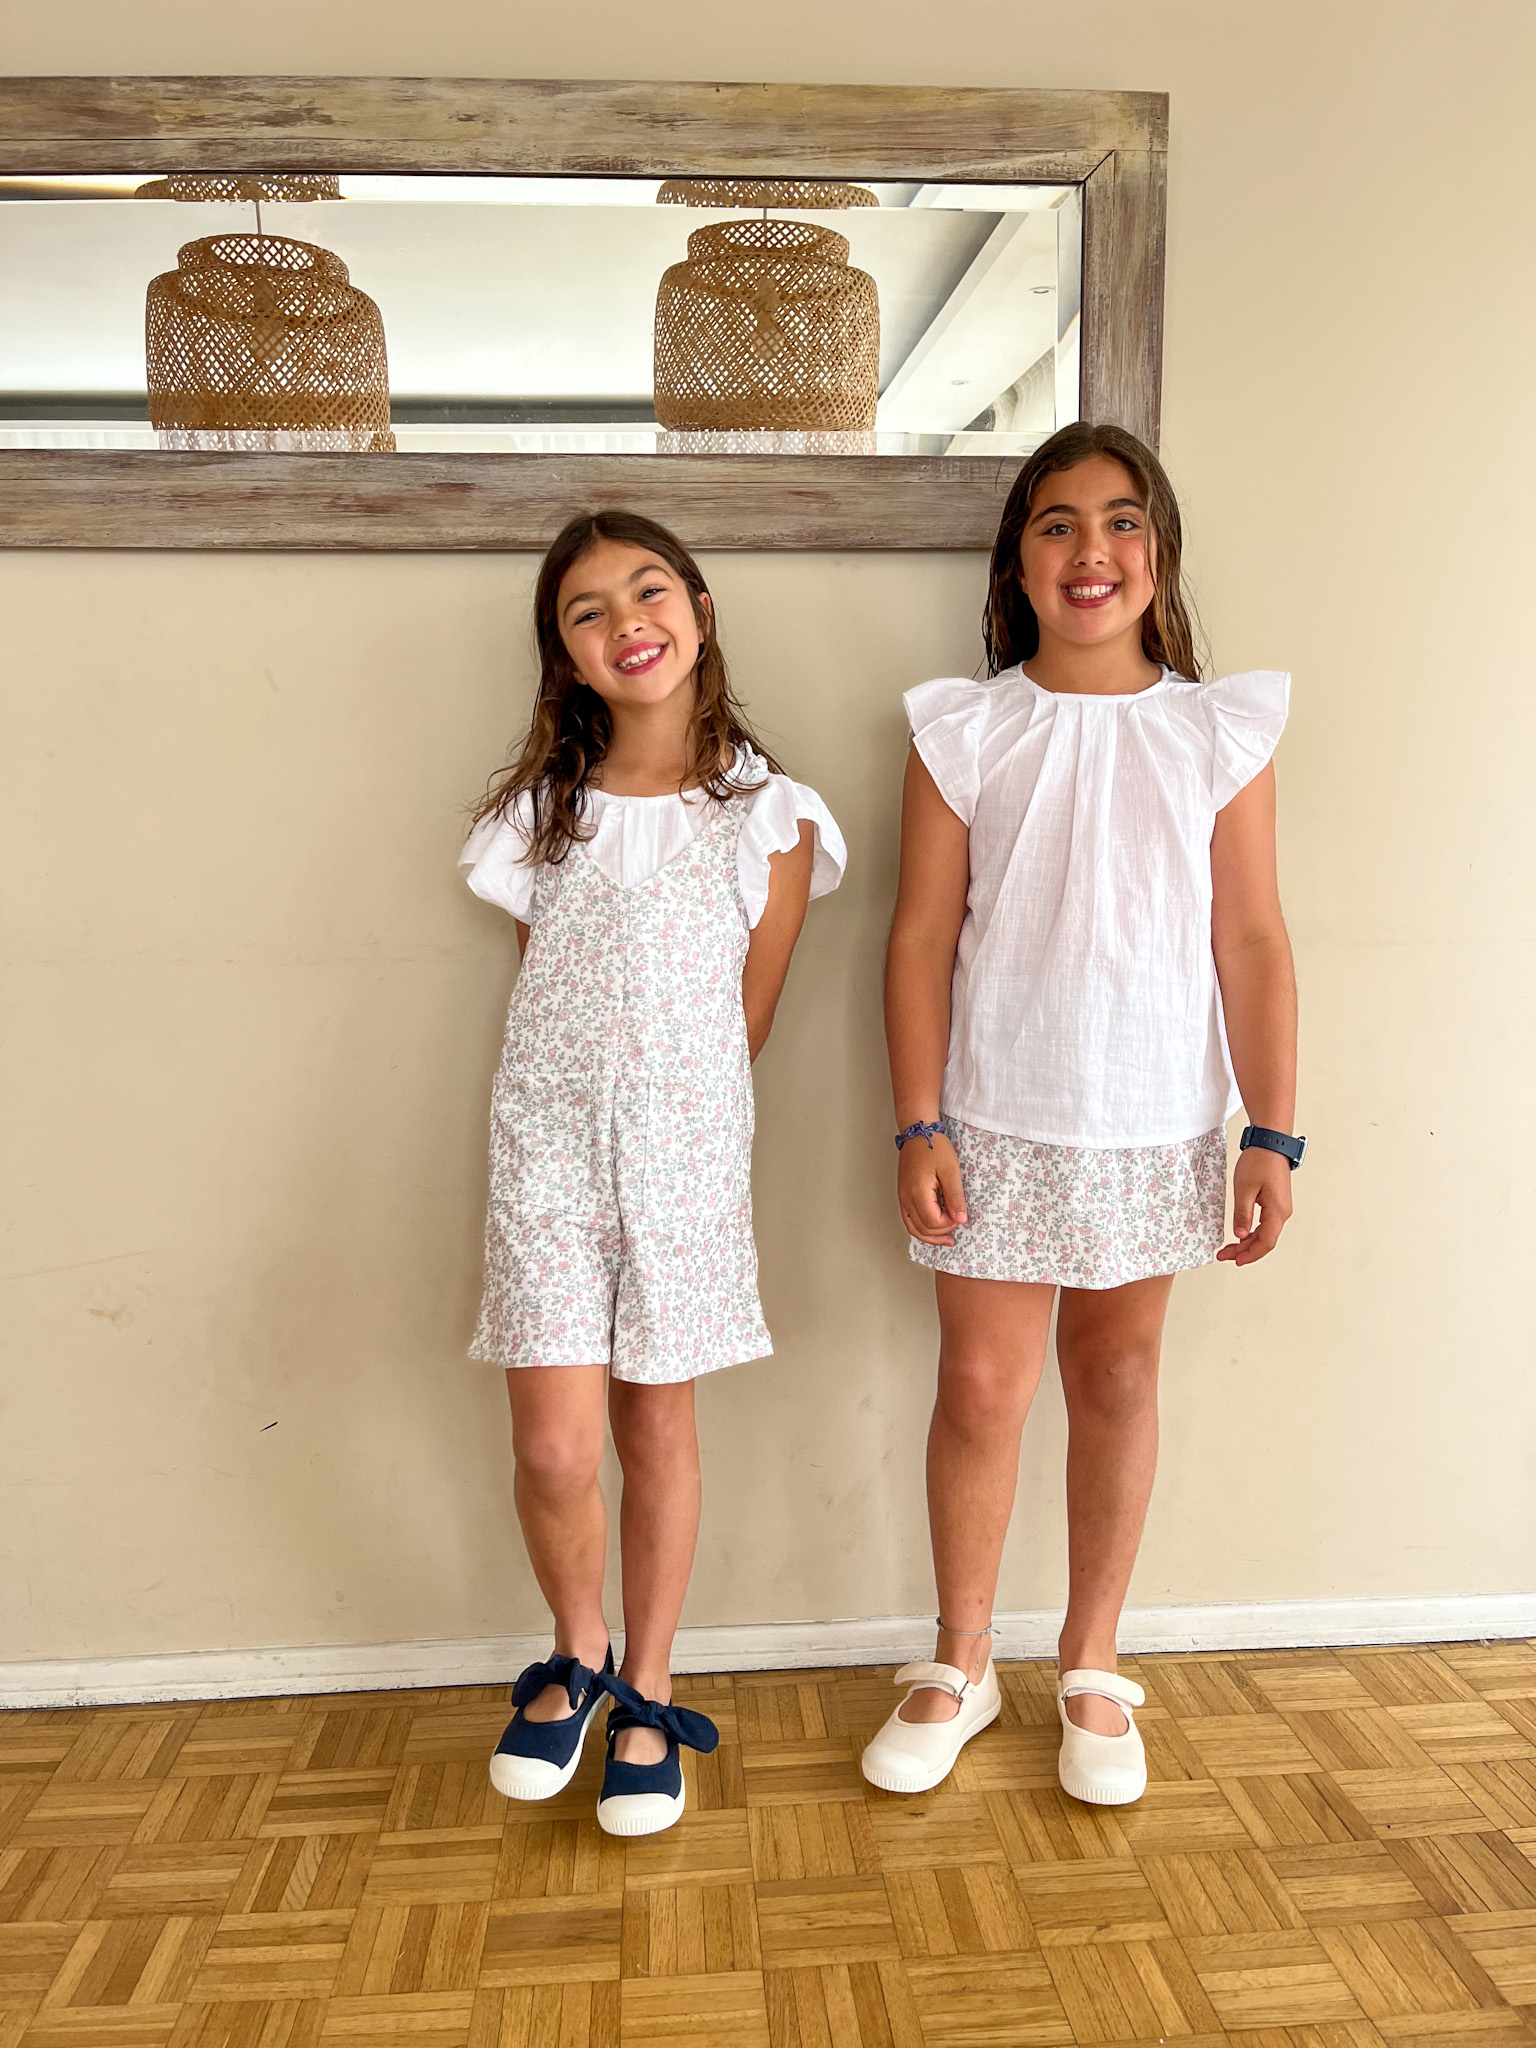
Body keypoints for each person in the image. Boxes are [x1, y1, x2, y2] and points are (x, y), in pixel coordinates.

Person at [862, 422, 1300, 1806]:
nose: (1089, 549)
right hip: (995, 1112)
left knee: (1115, 1379)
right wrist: (919, 1122)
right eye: (1056, 523)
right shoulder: (966, 730)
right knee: (983, 1389)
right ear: (1018, 561)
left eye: (1119, 521)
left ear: (1157, 556)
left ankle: (1093, 1660)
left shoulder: (1217, 732)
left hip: (1156, 1113)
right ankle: (961, 1660)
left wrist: (1272, 1131)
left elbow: (1252, 940)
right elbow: (919, 936)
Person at [461, 510, 844, 1837]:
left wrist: (675, 1127)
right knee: (555, 1443)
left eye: (648, 591)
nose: (626, 622)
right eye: (588, 610)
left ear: (698, 609)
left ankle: (649, 1689)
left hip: (686, 1154)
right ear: (564, 655)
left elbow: (750, 1014)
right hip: (548, 1154)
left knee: (656, 1427)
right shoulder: (541, 819)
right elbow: (550, 994)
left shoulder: (770, 817)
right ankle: (578, 1650)